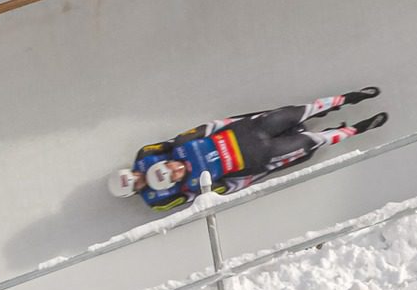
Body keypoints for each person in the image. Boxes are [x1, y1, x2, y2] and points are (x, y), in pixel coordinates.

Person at [108, 88, 388, 210]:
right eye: (175, 174)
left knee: (301, 111)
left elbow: (207, 128)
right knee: (311, 142)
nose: (177, 169)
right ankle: (357, 128)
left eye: (171, 167)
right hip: (257, 157)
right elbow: (225, 188)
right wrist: (256, 175)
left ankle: (349, 97)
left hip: (250, 131)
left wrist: (240, 121)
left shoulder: (172, 150)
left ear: (167, 163)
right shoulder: (190, 186)